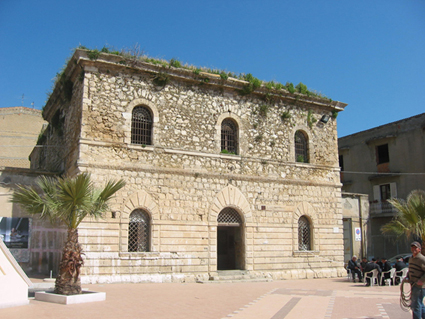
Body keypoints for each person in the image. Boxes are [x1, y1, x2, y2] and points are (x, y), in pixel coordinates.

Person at [408, 241, 425, 319]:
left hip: (419, 286)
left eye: (415, 247)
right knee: (419, 304)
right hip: (413, 284)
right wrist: (407, 277)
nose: (414, 249)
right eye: (412, 247)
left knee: (415, 305)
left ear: (419, 249)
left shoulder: (422, 259)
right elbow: (410, 269)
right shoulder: (411, 258)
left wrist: (421, 280)